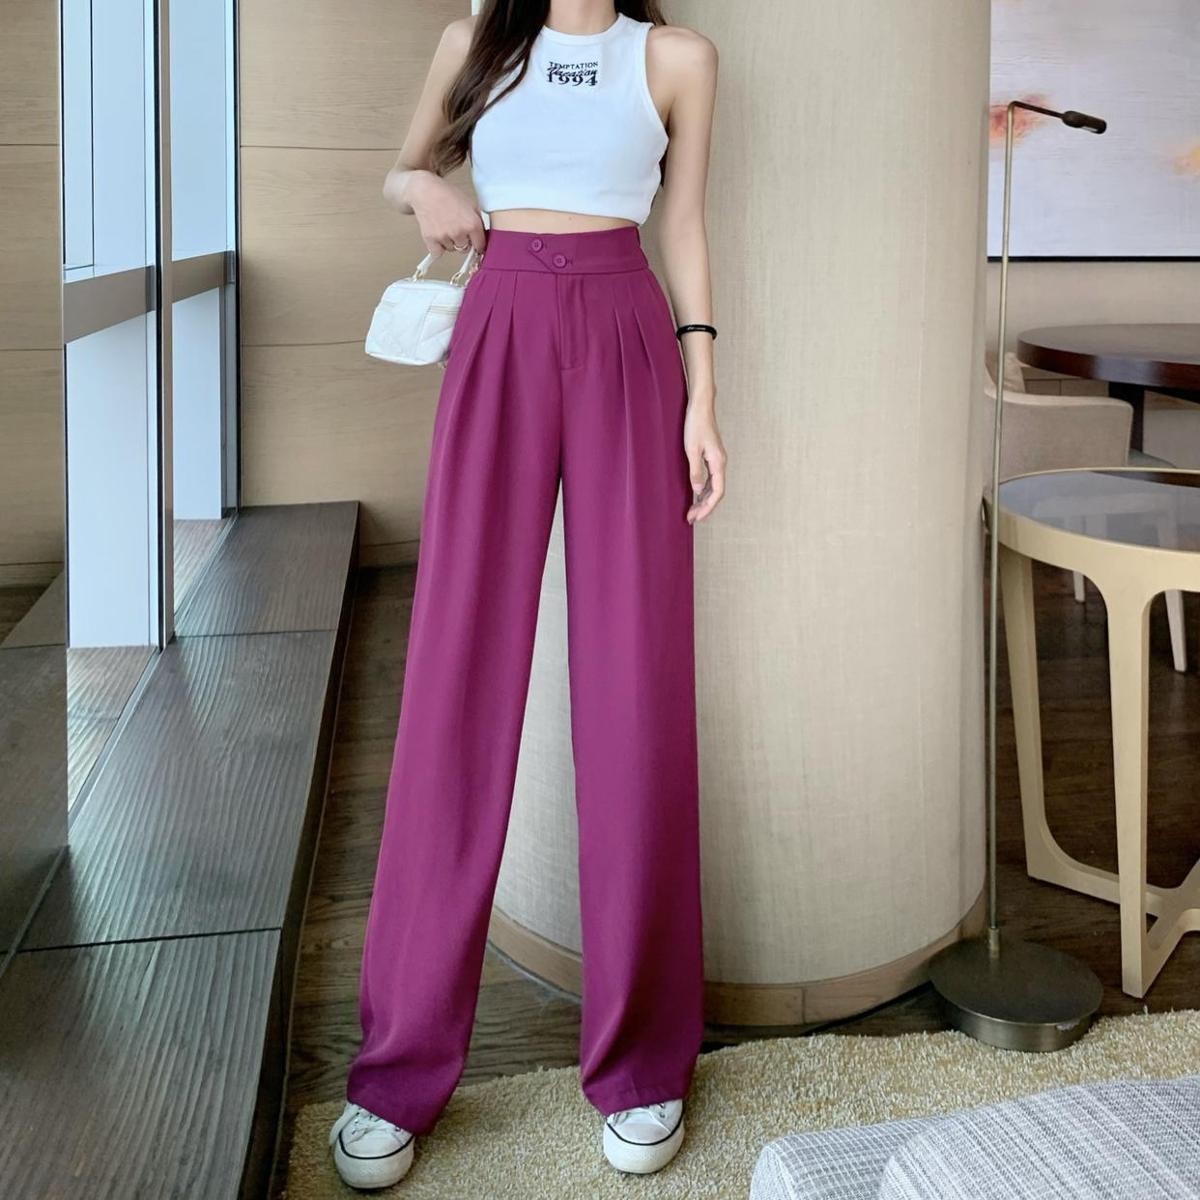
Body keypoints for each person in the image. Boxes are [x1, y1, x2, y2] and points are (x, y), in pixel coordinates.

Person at [329, 0, 724, 1188]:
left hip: (628, 334)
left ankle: (645, 1062)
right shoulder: (475, 43)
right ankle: (398, 1069)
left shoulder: (677, 59)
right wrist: (421, 187)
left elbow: (684, 222)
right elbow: (402, 168)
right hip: (497, 325)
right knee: (455, 676)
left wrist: (705, 399)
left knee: (635, 687)